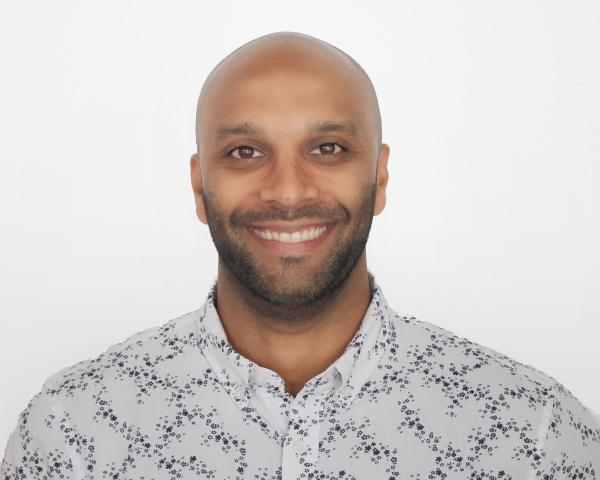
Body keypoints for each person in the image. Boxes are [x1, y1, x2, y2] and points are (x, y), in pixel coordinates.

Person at [2, 31, 599, 479]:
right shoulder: (73, 433)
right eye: (244, 152)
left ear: (380, 177)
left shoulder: (536, 433)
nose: (288, 192)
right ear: (199, 186)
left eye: (327, 147)